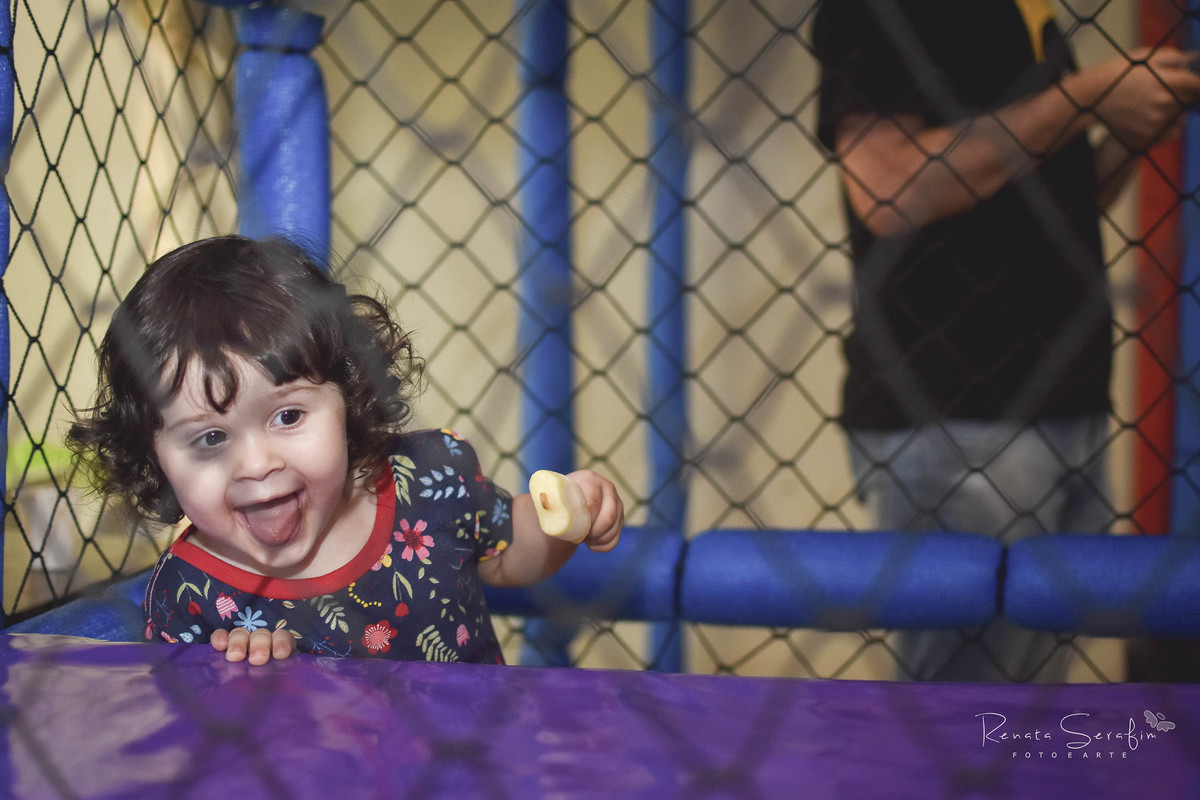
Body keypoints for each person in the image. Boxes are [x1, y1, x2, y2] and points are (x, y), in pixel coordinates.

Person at [812, 0, 1200, 680]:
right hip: (957, 415)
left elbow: (1054, 201)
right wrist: (1087, 95)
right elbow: (889, 186)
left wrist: (1131, 130)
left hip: (1065, 408)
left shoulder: (1033, 11)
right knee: (963, 728)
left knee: (1021, 723)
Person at [67, 235, 623, 666]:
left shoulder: (428, 478)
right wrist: (232, 674)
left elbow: (507, 555)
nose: (258, 464)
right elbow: (203, 736)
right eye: (211, 438)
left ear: (350, 395)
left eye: (288, 416)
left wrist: (562, 523)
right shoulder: (191, 595)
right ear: (154, 457)